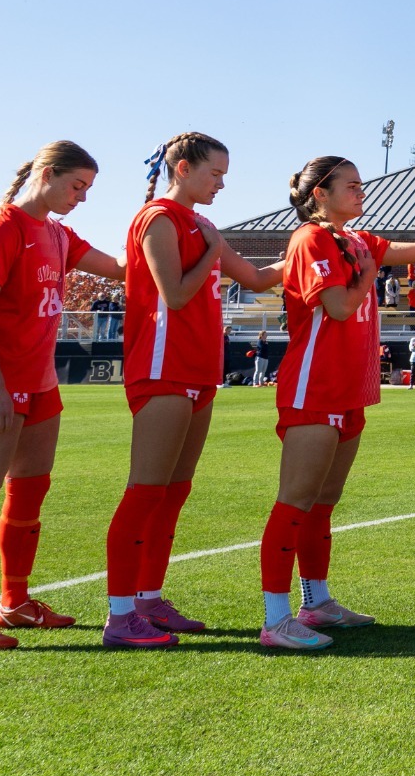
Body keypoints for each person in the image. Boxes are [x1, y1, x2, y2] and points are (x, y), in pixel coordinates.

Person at [0, 142, 126, 652]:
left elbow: (122, 268)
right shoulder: (0, 228)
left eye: (88, 189)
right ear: (45, 173)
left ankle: (14, 603)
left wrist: (150, 226)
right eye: (76, 185)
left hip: (40, 383)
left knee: (30, 490)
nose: (81, 197)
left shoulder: (58, 234)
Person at [103, 133, 283, 649]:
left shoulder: (201, 224)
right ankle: (120, 616)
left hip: (199, 371)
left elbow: (253, 275)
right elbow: (177, 294)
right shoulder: (158, 219)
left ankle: (149, 598)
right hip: (162, 368)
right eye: (215, 174)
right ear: (182, 169)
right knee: (145, 492)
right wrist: (210, 252)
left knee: (173, 492)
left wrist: (307, 247)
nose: (221, 184)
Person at [258, 156, 415, 651]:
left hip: (349, 390)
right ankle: (276, 618)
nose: (361, 192)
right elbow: (338, 307)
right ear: (320, 193)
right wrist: (366, 275)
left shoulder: (357, 240)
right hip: (314, 387)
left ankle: (315, 603)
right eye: (352, 185)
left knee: (321, 505)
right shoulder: (311, 239)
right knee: (295, 502)